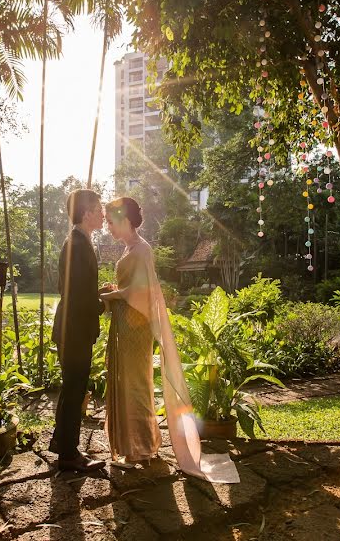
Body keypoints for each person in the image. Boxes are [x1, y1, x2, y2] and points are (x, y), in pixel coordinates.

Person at [99, 197, 239, 483]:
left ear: (125, 220)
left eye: (111, 222)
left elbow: (142, 291)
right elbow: (132, 287)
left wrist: (112, 294)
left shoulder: (141, 249)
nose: (108, 227)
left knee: (136, 383)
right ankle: (139, 446)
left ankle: (138, 449)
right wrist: (117, 290)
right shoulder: (132, 248)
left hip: (134, 326)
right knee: (131, 382)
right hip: (125, 324)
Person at [50, 189, 107, 472]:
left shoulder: (81, 241)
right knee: (74, 389)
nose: (102, 212)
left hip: (72, 326)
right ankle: (69, 455)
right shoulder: (77, 244)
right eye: (98, 208)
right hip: (74, 328)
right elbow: (74, 294)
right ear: (86, 213)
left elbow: (78, 287)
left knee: (71, 388)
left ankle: (62, 445)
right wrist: (102, 303)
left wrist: (97, 294)